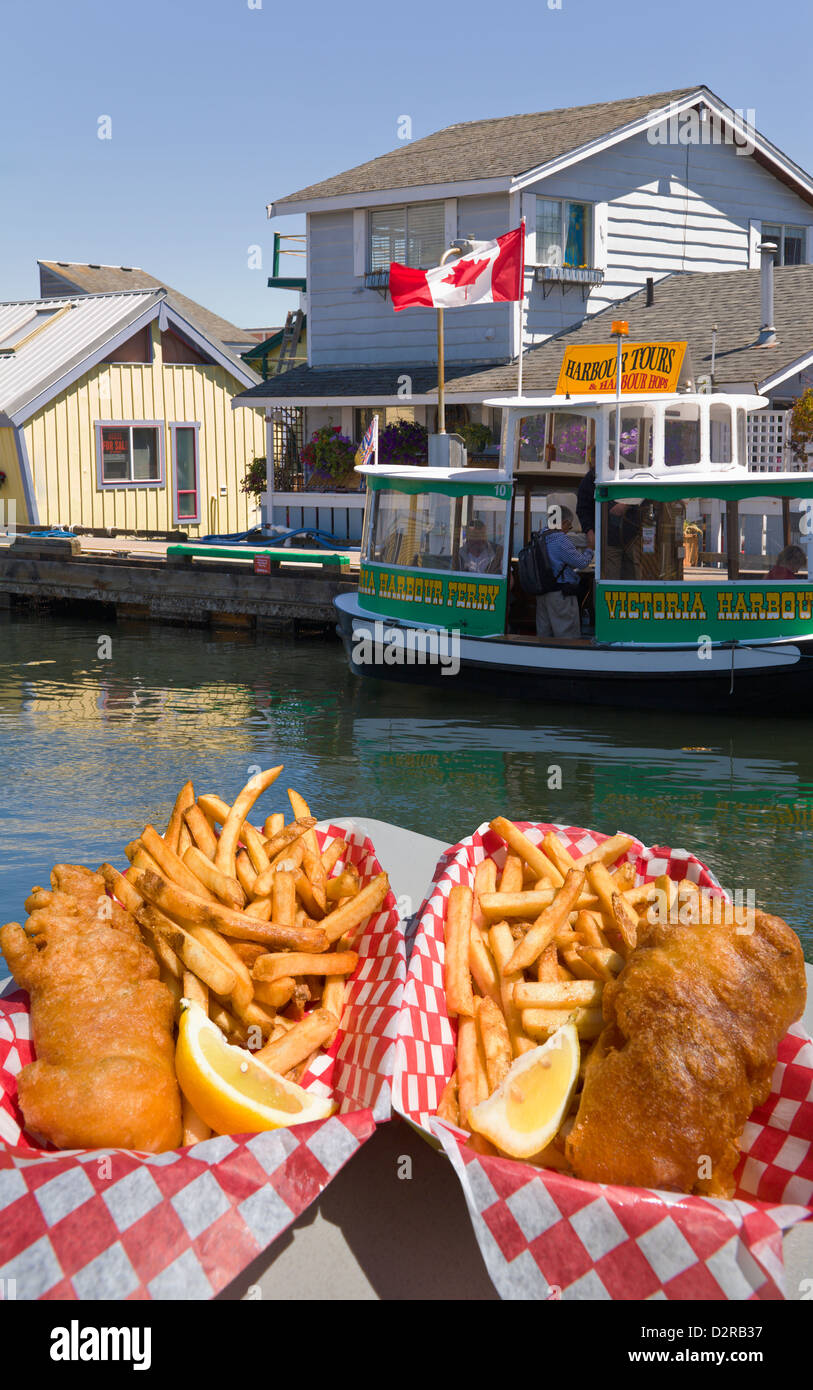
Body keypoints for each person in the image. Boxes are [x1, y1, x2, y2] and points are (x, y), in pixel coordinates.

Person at [535, 507, 594, 641]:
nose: (568, 530)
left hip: (542, 594)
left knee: (544, 636)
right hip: (560, 596)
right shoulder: (560, 539)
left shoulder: (539, 536)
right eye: (569, 526)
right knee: (567, 637)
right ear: (564, 522)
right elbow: (581, 563)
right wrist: (590, 548)